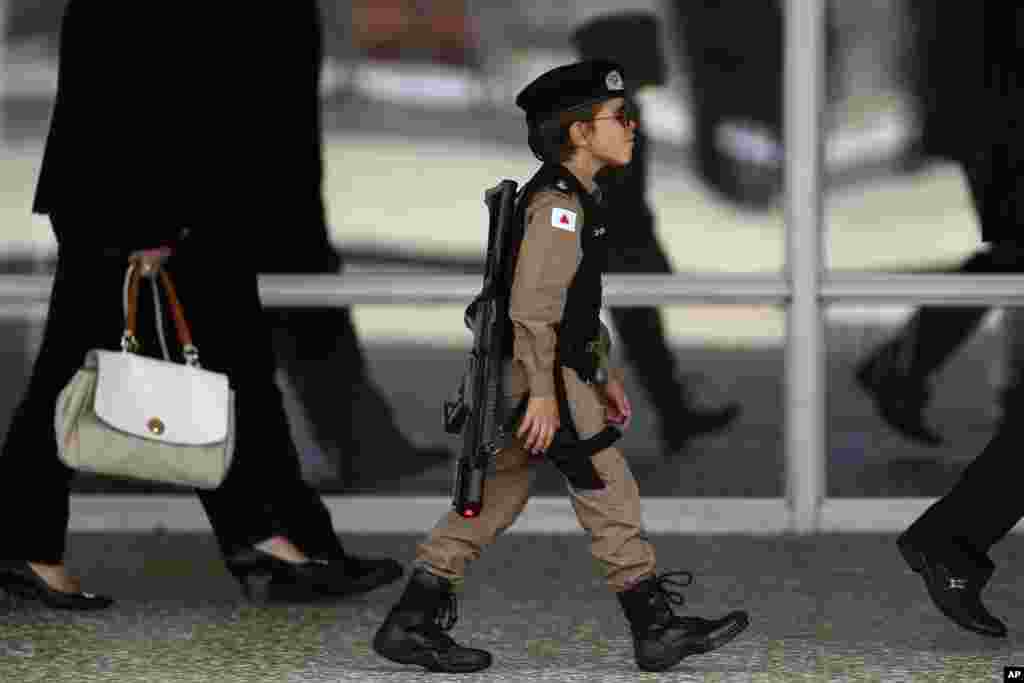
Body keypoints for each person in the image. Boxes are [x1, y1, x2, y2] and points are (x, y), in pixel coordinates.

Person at [0, 0, 403, 609]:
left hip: (169, 197)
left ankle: (277, 541)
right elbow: (136, 71)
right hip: (143, 200)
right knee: (82, 371)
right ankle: (270, 542)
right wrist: (152, 220)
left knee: (233, 368)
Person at [370, 60, 750, 674]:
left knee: (495, 497)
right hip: (536, 378)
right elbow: (533, 311)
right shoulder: (557, 207)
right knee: (607, 487)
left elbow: (576, 311)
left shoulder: (577, 198)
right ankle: (654, 628)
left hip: (541, 375)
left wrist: (603, 373)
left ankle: (410, 622)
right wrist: (546, 396)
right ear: (578, 133)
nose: (633, 128)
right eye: (619, 118)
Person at [257, 1, 451, 489]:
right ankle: (362, 446)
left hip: (282, 181)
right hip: (257, 179)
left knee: (309, 304)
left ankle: (365, 445)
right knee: (292, 304)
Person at [893, 2, 1023, 638]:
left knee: (1003, 260)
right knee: (1004, 259)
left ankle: (953, 537)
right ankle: (953, 537)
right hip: (1005, 142)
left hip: (999, 140)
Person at [570, 11, 741, 458]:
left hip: (619, 239)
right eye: (648, 48)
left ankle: (674, 414)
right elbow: (609, 191)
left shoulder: (616, 107)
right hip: (615, 241)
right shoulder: (611, 112)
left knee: (640, 332)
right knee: (617, 333)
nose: (660, 57)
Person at [854, 1, 1013, 447]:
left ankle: (901, 366)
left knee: (1009, 260)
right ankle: (901, 366)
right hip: (1001, 132)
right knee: (1010, 260)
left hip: (994, 128)